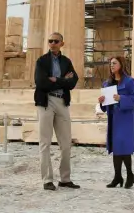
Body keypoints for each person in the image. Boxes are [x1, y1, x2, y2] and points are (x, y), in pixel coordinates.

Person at [34, 32, 80, 191]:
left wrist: (55, 79)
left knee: (66, 142)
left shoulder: (66, 61)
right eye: (50, 41)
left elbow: (73, 82)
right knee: (45, 142)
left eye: (56, 41)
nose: (52, 43)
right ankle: (47, 180)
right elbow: (41, 83)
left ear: (62, 43)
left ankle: (65, 179)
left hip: (62, 101)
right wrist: (63, 81)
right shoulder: (42, 61)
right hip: (45, 102)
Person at [98, 56, 134, 189]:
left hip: (126, 119)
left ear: (121, 65)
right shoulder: (107, 83)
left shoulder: (129, 81)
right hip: (113, 119)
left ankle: (129, 175)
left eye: (114, 63)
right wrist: (101, 102)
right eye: (110, 64)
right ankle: (117, 177)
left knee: (124, 147)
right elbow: (105, 107)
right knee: (116, 148)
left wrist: (121, 98)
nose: (112, 66)